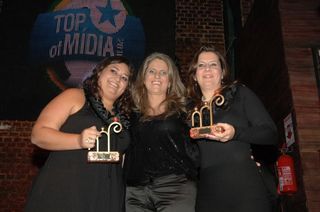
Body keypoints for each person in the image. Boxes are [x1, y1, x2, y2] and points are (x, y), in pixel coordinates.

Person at [25, 56, 134, 212]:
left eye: (124, 77)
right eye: (113, 71)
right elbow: (38, 135)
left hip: (107, 196)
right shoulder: (75, 96)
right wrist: (78, 140)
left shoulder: (124, 118)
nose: (118, 78)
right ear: (100, 72)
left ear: (127, 86)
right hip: (68, 191)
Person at [186, 46, 278, 212]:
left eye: (213, 64)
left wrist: (236, 133)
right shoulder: (189, 112)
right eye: (201, 65)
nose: (207, 68)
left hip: (245, 188)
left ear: (222, 73)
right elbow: (192, 158)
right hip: (209, 194)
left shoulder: (239, 94)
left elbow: (270, 133)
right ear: (194, 75)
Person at [124, 52, 199, 212]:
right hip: (136, 192)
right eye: (151, 71)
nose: (157, 76)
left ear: (170, 80)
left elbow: (202, 143)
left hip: (175, 188)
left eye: (163, 72)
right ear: (143, 78)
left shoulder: (185, 110)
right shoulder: (130, 113)